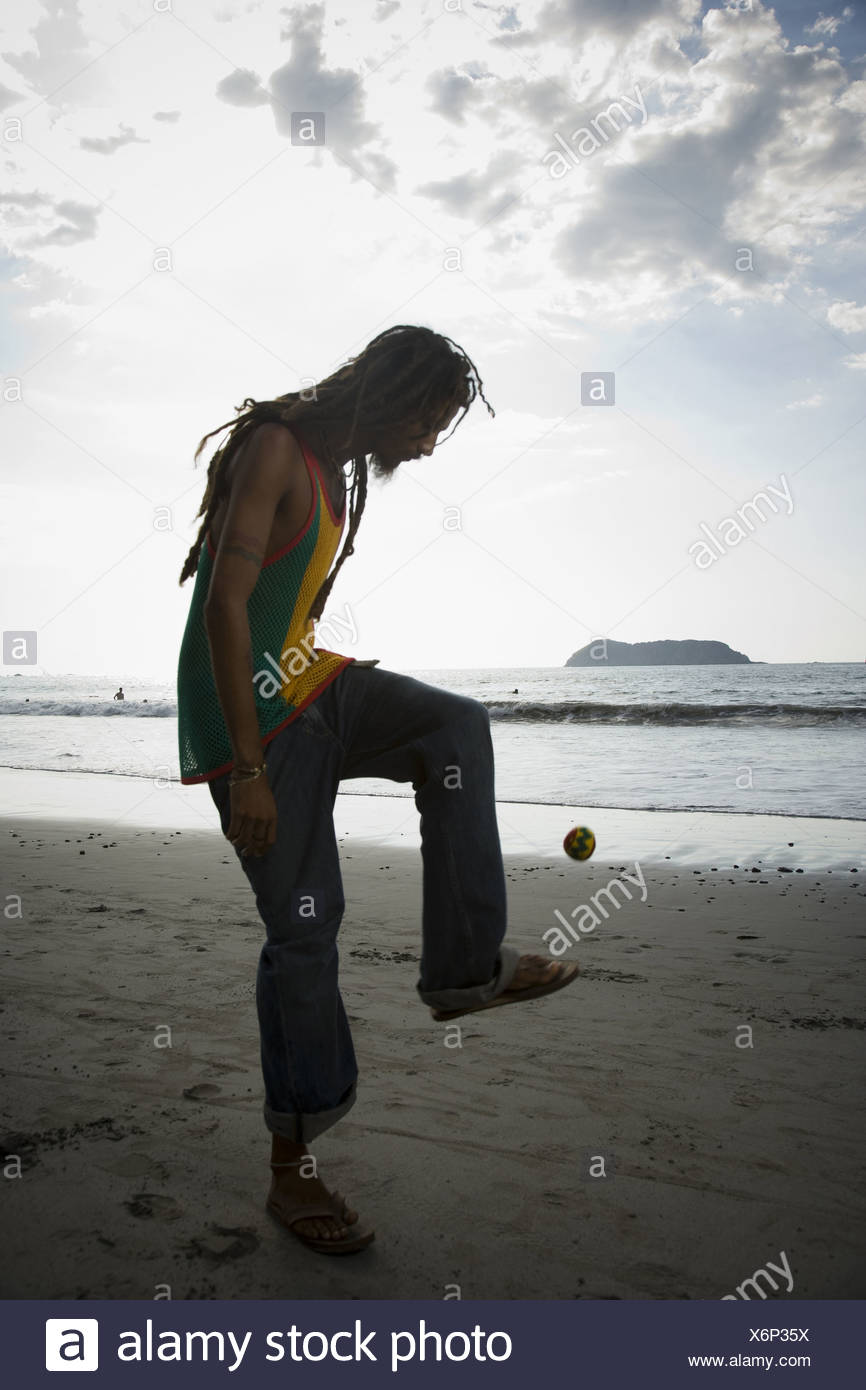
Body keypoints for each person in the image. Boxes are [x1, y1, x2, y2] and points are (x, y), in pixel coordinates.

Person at [175, 324, 578, 1255]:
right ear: (392, 398)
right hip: (255, 727)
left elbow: (288, 606)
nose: (431, 442)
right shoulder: (276, 447)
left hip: (315, 687)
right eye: (430, 420)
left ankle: (464, 973)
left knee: (455, 724)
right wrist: (248, 772)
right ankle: (292, 1171)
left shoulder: (336, 471)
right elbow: (223, 606)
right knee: (307, 931)